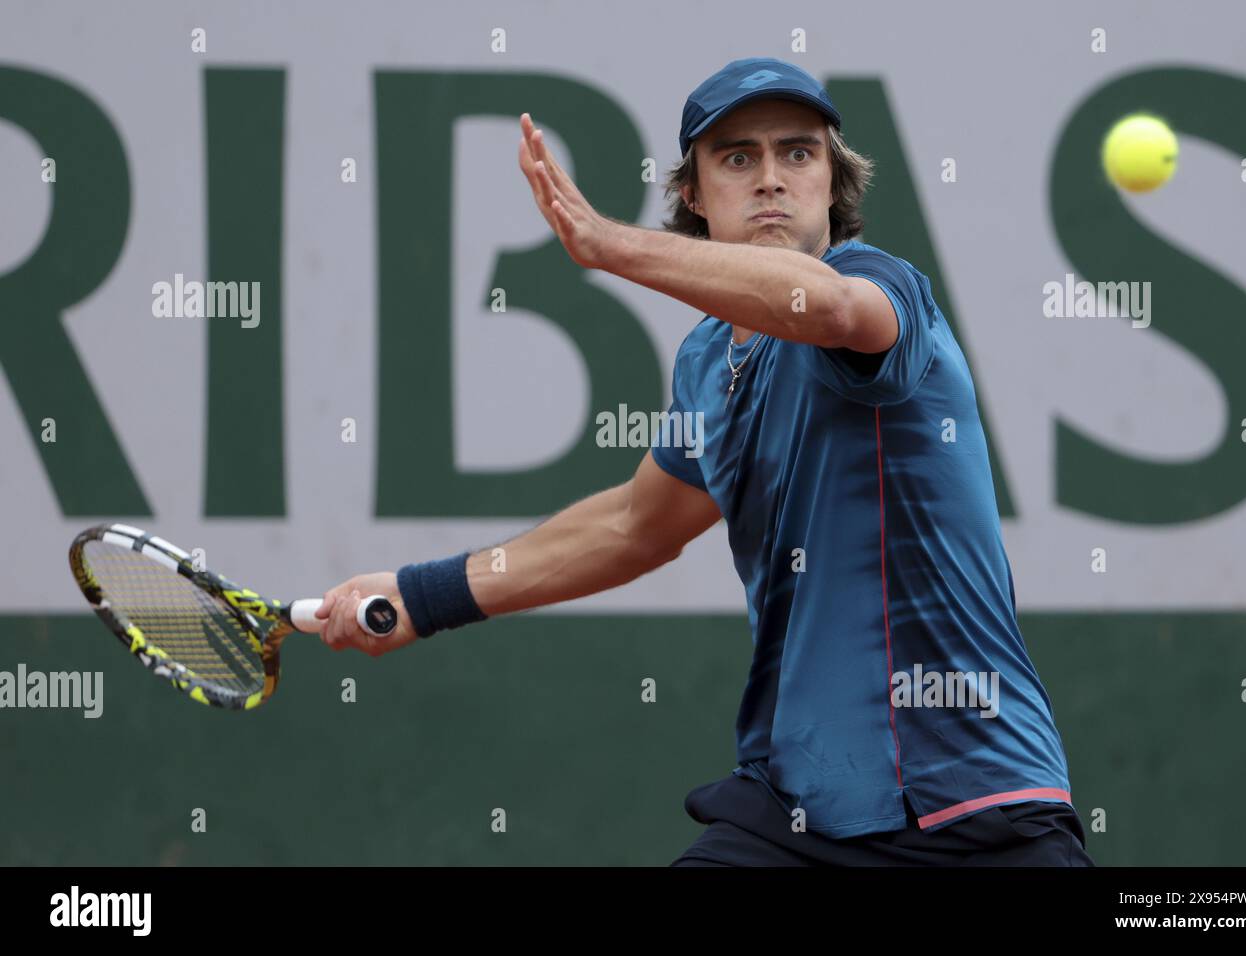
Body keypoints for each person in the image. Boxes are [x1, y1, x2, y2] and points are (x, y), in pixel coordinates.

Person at [315, 56, 1092, 867]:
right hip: (797, 811)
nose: (771, 180)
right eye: (737, 158)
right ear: (693, 192)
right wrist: (420, 594)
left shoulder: (879, 286)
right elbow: (634, 525)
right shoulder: (707, 362)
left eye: (798, 154)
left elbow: (821, 305)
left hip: (975, 806)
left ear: (833, 184)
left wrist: (609, 244)